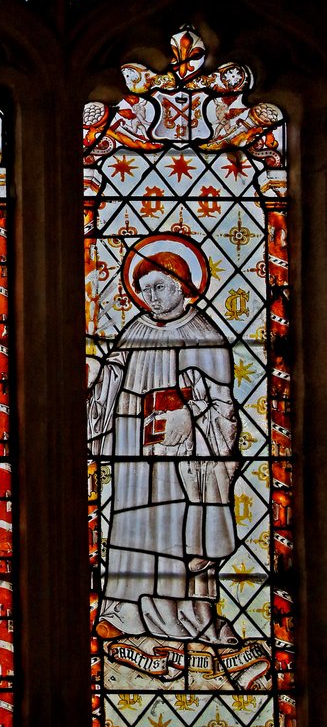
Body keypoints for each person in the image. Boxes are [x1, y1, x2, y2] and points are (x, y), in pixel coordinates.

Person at [87, 234, 241, 644]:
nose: (151, 297)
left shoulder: (205, 335)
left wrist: (191, 416)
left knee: (177, 525)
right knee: (132, 521)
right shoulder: (134, 330)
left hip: (184, 455)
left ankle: (184, 613)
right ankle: (125, 610)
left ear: (183, 286)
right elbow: (108, 386)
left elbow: (224, 410)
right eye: (144, 290)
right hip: (132, 448)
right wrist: (98, 377)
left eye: (159, 287)